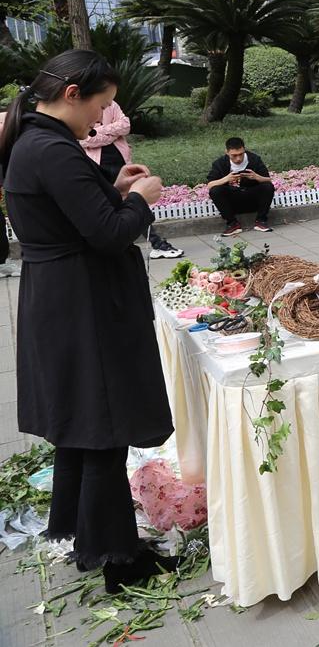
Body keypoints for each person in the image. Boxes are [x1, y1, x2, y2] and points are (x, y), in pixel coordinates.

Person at [0, 49, 176, 593]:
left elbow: (75, 214)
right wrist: (142, 202)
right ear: (71, 94)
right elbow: (105, 234)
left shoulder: (40, 140)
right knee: (103, 427)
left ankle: (88, 537)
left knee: (82, 425)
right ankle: (119, 560)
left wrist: (115, 188)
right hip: (82, 303)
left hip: (64, 296)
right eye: (99, 107)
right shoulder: (49, 147)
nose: (101, 120)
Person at [79, 99, 184, 259]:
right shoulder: (81, 107)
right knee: (106, 205)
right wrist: (112, 134)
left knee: (136, 201)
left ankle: (157, 244)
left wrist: (100, 130)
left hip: (122, 164)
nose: (102, 108)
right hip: (97, 166)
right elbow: (85, 139)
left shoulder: (110, 103)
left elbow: (125, 125)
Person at [206, 136, 275, 236]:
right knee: (215, 190)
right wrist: (226, 179)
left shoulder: (254, 159)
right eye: (234, 155)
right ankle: (232, 224)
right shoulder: (220, 163)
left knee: (267, 186)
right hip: (232, 201)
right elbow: (210, 185)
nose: (238, 158)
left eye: (241, 154)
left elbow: (268, 179)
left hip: (252, 197)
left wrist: (256, 177)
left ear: (244, 150)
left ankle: (261, 221)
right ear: (227, 152)